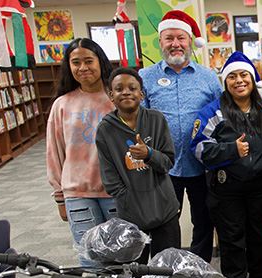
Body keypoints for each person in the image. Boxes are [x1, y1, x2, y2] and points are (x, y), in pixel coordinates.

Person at [191, 52, 262, 278]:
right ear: (225, 81)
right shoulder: (213, 112)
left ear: (252, 79)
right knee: (232, 236)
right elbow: (197, 149)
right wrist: (231, 150)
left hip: (260, 188)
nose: (238, 81)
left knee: (258, 235)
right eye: (232, 76)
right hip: (226, 188)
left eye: (243, 75)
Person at [139, 10, 221, 263]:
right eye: (169, 38)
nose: (175, 44)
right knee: (164, 222)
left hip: (201, 165)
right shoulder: (145, 77)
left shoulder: (208, 77)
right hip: (162, 168)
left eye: (181, 38)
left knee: (204, 220)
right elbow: (136, 121)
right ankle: (166, 271)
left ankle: (198, 268)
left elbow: (221, 117)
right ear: (161, 42)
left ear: (189, 42)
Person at [96, 68, 181, 264]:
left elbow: (167, 162)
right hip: (131, 216)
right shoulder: (105, 130)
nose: (126, 92)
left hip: (164, 210)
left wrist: (149, 154)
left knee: (167, 268)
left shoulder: (156, 119)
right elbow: (109, 178)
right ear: (111, 95)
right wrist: (128, 199)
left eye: (132, 88)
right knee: (136, 273)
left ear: (141, 94)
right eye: (119, 89)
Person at [46, 38, 117, 253]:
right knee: (90, 257)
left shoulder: (117, 98)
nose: (83, 67)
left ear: (100, 62)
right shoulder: (62, 104)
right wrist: (59, 197)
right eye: (76, 62)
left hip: (115, 191)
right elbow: (54, 152)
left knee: (121, 256)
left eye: (89, 61)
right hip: (77, 194)